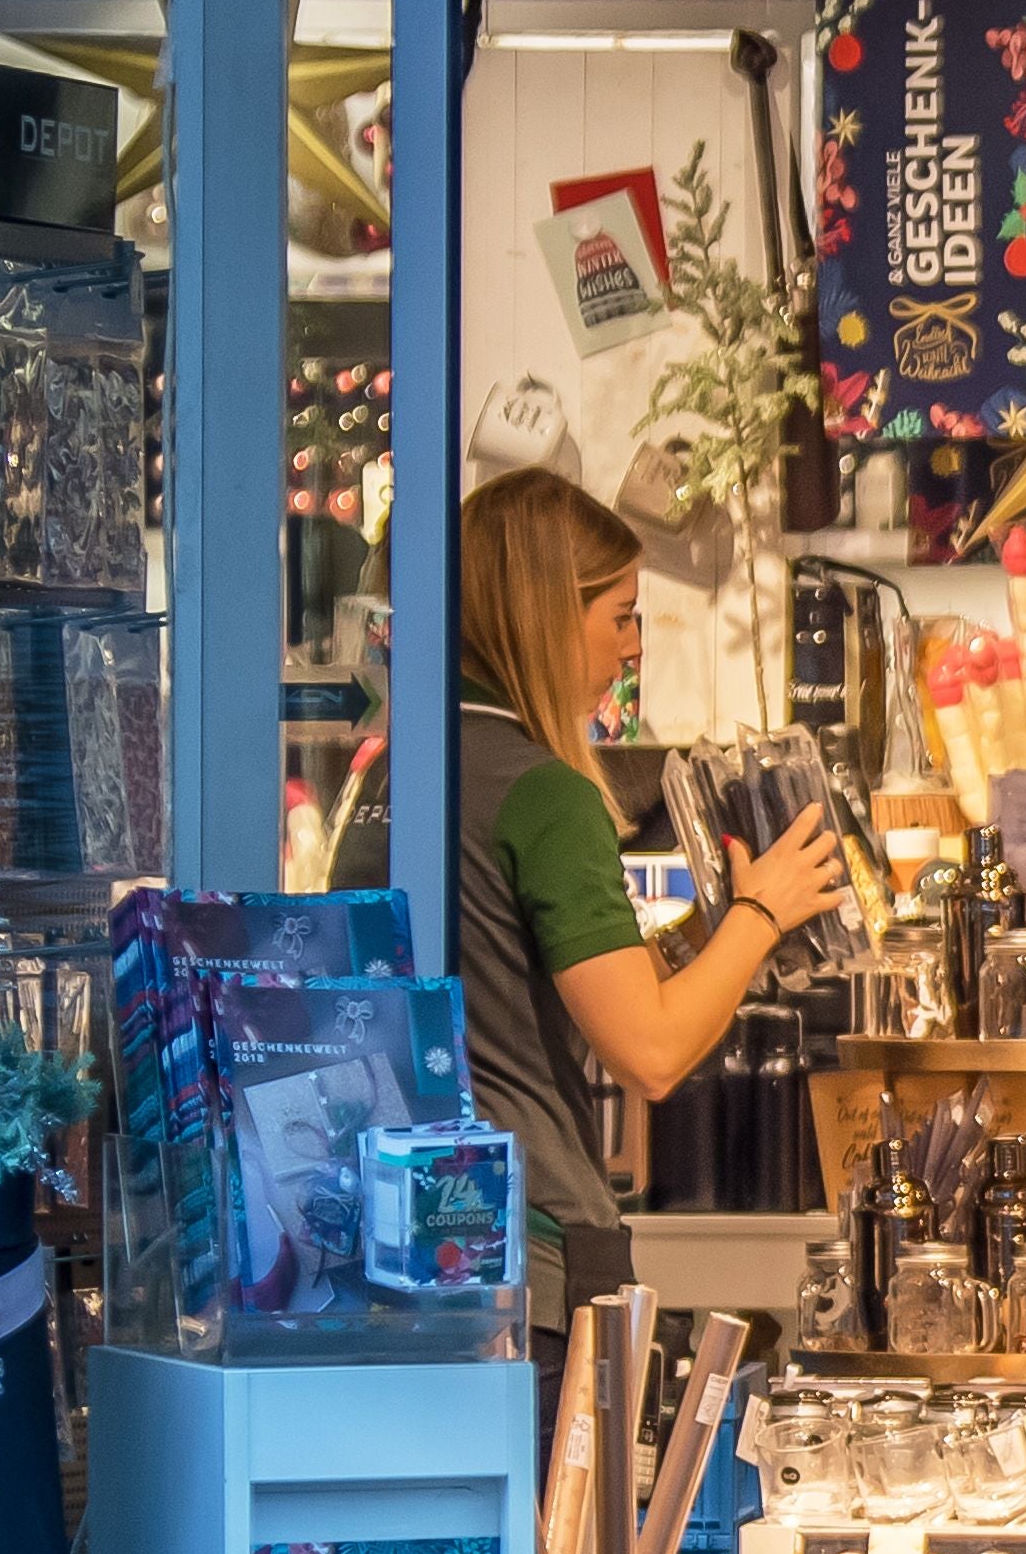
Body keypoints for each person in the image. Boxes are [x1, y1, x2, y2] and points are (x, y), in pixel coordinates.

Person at [339, 467, 847, 1334]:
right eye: (619, 616)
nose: (633, 647)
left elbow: (509, 975)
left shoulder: (397, 772)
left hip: (399, 1238)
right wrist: (763, 915)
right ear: (544, 619)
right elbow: (649, 1052)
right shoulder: (544, 795)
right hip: (530, 1252)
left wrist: (709, 930)